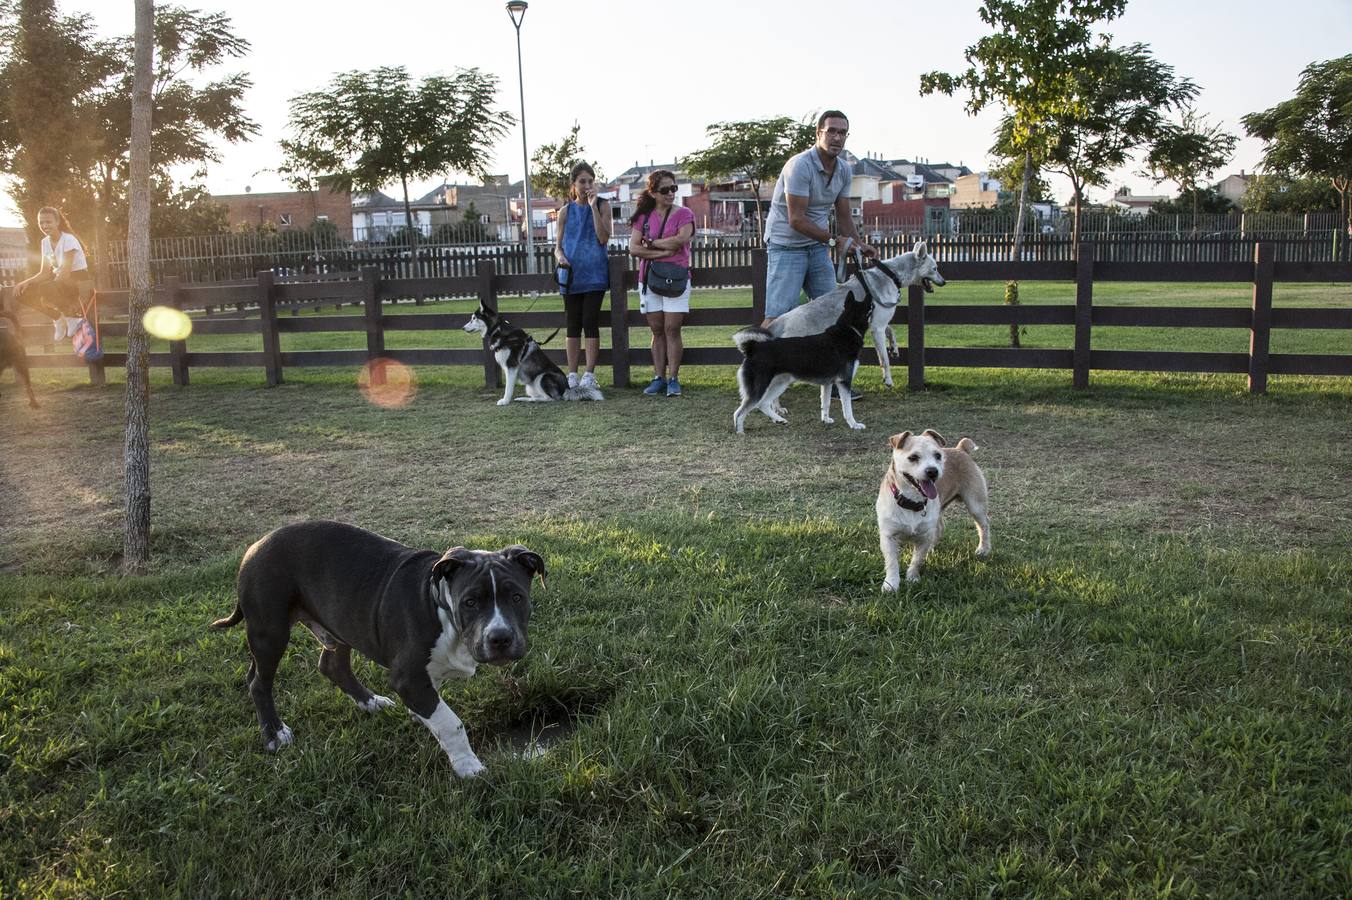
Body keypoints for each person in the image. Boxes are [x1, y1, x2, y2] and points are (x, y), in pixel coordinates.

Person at [761, 110, 876, 328]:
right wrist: (834, 241)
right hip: (786, 247)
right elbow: (796, 219)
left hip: (816, 248)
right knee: (778, 317)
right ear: (818, 133)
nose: (837, 137)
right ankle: (753, 362)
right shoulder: (800, 166)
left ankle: (819, 363)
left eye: (843, 133)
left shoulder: (844, 170)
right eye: (831, 131)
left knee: (832, 311)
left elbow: (843, 215)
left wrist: (859, 245)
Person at [628, 170, 695, 397]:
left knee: (672, 329)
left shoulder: (684, 213)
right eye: (665, 190)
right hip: (648, 279)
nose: (670, 194)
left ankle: (674, 378)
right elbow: (634, 248)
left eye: (673, 188)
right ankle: (659, 377)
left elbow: (681, 239)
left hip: (676, 278)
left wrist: (653, 244)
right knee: (657, 331)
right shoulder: (643, 217)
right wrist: (662, 252)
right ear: (653, 193)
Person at [553, 162, 611, 390]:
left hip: (595, 275)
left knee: (590, 321)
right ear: (573, 184)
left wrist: (593, 207)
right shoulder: (565, 211)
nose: (587, 185)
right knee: (572, 323)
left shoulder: (603, 205)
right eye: (582, 181)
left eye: (590, 181)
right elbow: (557, 246)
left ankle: (589, 373)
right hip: (571, 276)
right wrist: (560, 257)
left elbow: (603, 237)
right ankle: (572, 374)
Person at [13, 207, 94, 341]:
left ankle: (71, 318)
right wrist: (25, 283)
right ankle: (58, 318)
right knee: (22, 293)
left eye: (48, 222)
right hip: (61, 282)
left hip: (78, 281)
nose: (45, 225)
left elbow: (65, 274)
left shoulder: (69, 239)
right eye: (41, 222)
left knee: (46, 288)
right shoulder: (45, 242)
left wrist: (46, 292)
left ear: (57, 222)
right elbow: (44, 272)